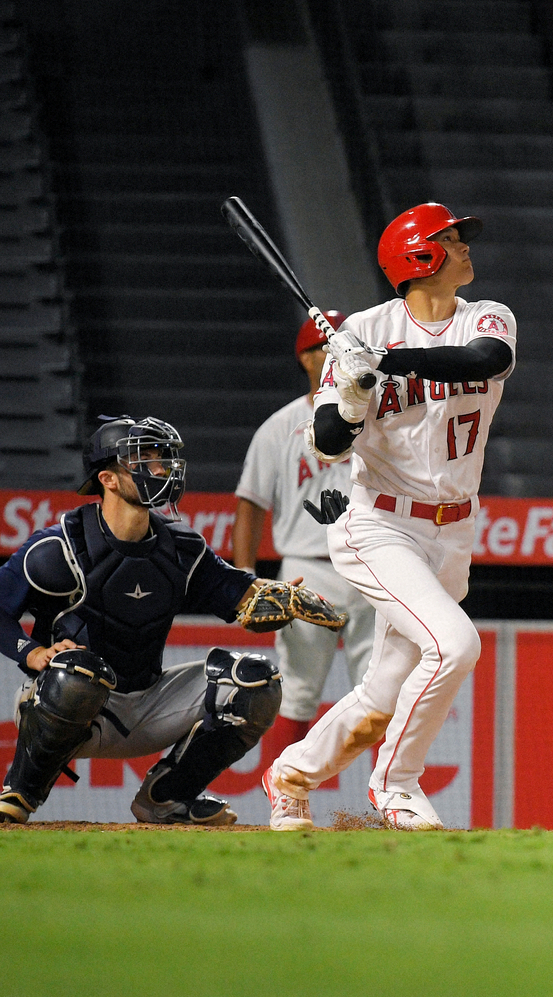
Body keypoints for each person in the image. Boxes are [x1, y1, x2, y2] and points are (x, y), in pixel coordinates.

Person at [262, 201, 517, 830]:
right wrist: (349, 394)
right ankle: (396, 785)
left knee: (383, 694)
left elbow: (486, 360)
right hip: (379, 522)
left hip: (453, 529)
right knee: (456, 644)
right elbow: (325, 443)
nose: (465, 248)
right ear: (421, 257)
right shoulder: (361, 336)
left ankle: (290, 773)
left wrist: (390, 362)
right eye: (452, 240)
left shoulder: (487, 316)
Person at [0, 414, 290, 825]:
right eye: (144, 458)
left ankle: (167, 798)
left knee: (256, 683)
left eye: (163, 458)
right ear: (109, 479)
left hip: (149, 703)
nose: (161, 468)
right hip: (71, 704)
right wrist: (31, 653)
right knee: (79, 671)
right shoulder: (58, 546)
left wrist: (278, 599)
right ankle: (21, 792)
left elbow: (240, 596)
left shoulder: (182, 545)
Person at [232, 312, 376, 758]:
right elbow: (250, 503)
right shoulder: (280, 426)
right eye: (325, 347)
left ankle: (390, 802)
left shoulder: (377, 418)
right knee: (295, 694)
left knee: (382, 695)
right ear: (307, 357)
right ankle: (282, 799)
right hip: (306, 573)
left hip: (372, 565)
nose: (335, 355)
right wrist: (244, 576)